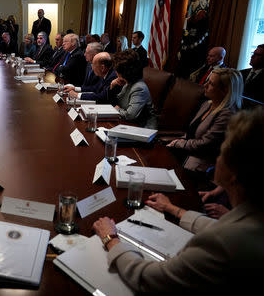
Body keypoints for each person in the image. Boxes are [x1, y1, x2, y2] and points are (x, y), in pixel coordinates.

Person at [93, 107, 264, 293]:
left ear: (234, 174)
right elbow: (219, 228)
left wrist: (111, 239)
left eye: (222, 152)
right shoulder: (252, 220)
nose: (217, 158)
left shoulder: (225, 242)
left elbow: (149, 278)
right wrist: (173, 209)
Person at [166, 68, 242, 173]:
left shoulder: (227, 115)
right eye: (207, 81)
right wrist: (176, 142)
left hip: (199, 166)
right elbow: (190, 133)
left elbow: (204, 145)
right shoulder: (207, 104)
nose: (205, 85)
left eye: (211, 84)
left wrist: (178, 144)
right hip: (184, 154)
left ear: (225, 90)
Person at [108, 49, 157, 128]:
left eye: (116, 70)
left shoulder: (139, 88)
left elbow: (130, 115)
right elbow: (116, 103)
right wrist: (113, 86)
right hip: (128, 125)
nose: (115, 72)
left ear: (122, 72)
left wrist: (117, 109)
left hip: (142, 129)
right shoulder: (128, 82)